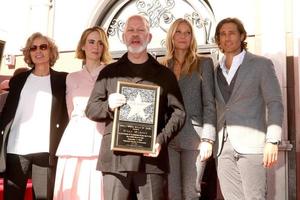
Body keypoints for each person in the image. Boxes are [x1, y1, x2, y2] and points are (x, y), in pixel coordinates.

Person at [85, 15, 186, 200]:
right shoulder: (108, 73)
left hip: (151, 161)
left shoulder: (164, 75)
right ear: (123, 37)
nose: (135, 34)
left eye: (141, 30)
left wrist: (160, 140)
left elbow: (179, 113)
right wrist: (108, 105)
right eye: (130, 30)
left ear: (149, 37)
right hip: (115, 160)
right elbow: (91, 109)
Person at [213, 17, 284, 199]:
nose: (227, 38)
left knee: (255, 197)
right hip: (222, 147)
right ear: (218, 39)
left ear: (242, 36)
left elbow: (275, 103)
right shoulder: (215, 70)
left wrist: (272, 140)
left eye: (232, 33)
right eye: (223, 34)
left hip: (252, 144)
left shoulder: (261, 64)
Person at [0, 32, 68, 200]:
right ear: (28, 53)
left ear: (51, 51)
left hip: (46, 149)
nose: (38, 51)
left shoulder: (63, 80)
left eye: (43, 47)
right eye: (33, 48)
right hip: (16, 148)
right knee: (12, 196)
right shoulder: (18, 80)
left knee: (44, 197)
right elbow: (8, 112)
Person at [53, 26, 112, 200]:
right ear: (83, 46)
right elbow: (70, 111)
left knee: (95, 189)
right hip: (74, 140)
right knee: (71, 189)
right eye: (91, 42)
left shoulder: (110, 73)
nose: (96, 47)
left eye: (100, 43)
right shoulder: (71, 77)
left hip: (99, 137)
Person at [161, 18, 216, 200]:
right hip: (168, 138)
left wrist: (208, 138)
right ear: (171, 36)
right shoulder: (162, 66)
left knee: (192, 191)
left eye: (188, 32)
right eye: (179, 32)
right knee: (172, 193)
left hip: (195, 139)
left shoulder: (204, 64)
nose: (183, 36)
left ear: (192, 37)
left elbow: (209, 103)